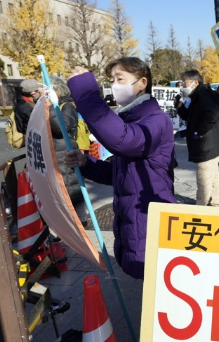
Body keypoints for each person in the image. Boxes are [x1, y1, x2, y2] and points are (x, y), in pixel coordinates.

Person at [63, 57, 176, 279]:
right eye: (112, 79)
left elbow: (124, 141)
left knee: (155, 287)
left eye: (120, 78)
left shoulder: (156, 120)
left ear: (142, 82)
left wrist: (86, 94)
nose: (114, 85)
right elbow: (119, 174)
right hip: (132, 220)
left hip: (149, 217)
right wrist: (88, 164)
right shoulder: (130, 120)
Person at [175, 70, 219, 207]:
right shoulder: (195, 95)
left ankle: (200, 208)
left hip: (206, 147)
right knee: (213, 179)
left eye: (185, 82)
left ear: (195, 82)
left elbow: (213, 114)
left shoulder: (203, 94)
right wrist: (179, 106)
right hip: (209, 146)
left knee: (203, 182)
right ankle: (216, 205)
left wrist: (199, 132)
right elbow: (188, 116)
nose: (183, 85)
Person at [47, 76, 86, 224]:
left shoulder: (66, 106)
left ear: (56, 91)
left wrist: (51, 107)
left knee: (71, 186)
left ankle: (80, 220)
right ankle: (72, 220)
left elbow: (60, 127)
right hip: (57, 151)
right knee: (64, 186)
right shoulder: (60, 106)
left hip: (65, 151)